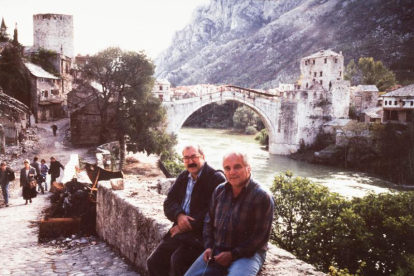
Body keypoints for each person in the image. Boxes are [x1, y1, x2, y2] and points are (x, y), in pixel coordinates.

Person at [184, 151, 275, 276]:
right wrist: (209, 247)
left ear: (248, 168)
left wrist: (233, 254)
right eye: (227, 168)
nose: (232, 172)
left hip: (248, 255)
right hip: (218, 250)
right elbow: (208, 222)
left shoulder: (261, 196)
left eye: (237, 167)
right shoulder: (219, 191)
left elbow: (260, 237)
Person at [147, 144, 226, 276]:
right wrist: (179, 216)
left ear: (203, 157)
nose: (190, 161)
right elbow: (169, 202)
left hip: (201, 235)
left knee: (178, 260)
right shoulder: (184, 176)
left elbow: (213, 211)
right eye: (186, 158)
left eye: (194, 157)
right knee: (154, 261)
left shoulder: (215, 178)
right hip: (181, 230)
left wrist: (186, 225)